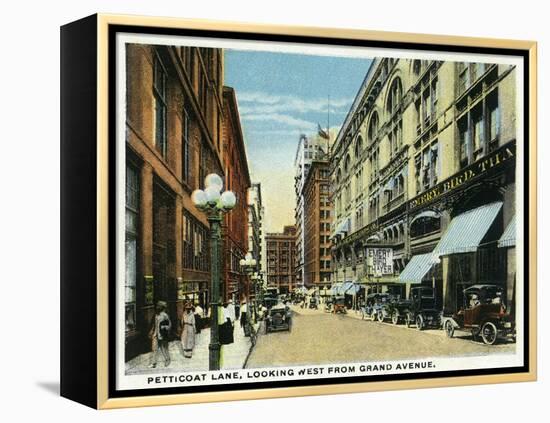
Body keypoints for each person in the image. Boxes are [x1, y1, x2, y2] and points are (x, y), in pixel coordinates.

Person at [149, 301, 171, 368]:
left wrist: (164, 327)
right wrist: (152, 331)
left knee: (163, 348)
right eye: (157, 306)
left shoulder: (165, 315)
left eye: (159, 306)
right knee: (154, 349)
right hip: (156, 334)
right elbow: (154, 324)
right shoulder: (156, 315)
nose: (157, 307)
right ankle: (153, 363)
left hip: (162, 334)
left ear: (162, 307)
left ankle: (167, 360)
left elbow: (169, 325)